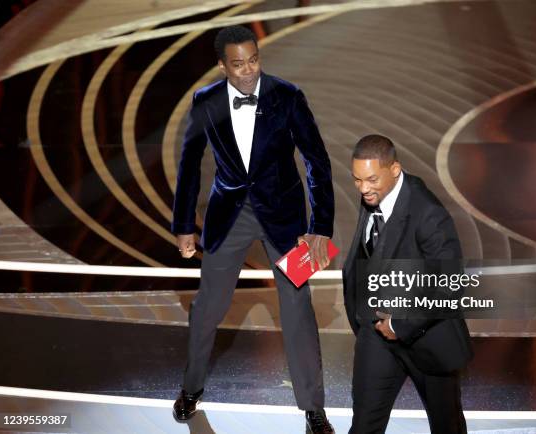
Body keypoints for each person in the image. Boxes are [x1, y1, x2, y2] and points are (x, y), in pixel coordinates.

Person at [170, 25, 335, 434]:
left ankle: (314, 409)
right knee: (207, 307)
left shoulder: (287, 96)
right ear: (222, 65)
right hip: (230, 217)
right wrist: (184, 225)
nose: (248, 71)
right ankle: (191, 389)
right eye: (238, 64)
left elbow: (317, 162)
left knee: (297, 310)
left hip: (285, 218)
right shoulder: (204, 100)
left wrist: (320, 228)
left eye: (254, 60)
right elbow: (189, 164)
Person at [343, 134, 473, 434]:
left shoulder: (428, 213)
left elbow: (450, 283)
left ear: (395, 169)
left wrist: (400, 324)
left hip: (428, 340)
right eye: (357, 180)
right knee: (363, 426)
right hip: (377, 335)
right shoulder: (375, 193)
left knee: (447, 427)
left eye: (371, 179)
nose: (363, 188)